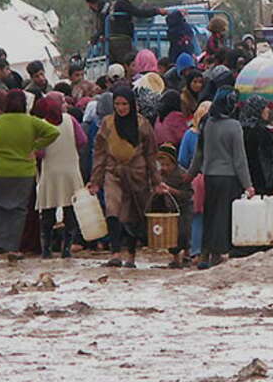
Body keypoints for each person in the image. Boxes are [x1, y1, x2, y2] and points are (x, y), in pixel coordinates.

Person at [89, 85, 164, 268]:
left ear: (131, 104)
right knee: (112, 210)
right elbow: (99, 153)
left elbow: (150, 154)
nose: (121, 108)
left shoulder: (142, 124)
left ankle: (131, 255)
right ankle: (115, 253)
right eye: (117, 104)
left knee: (133, 216)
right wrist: (95, 180)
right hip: (113, 172)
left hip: (136, 174)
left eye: (124, 104)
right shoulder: (107, 124)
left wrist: (156, 181)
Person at [0, 90, 60, 263]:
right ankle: (13, 248)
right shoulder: (31, 122)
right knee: (18, 211)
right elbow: (54, 132)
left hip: (0, 169)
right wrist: (35, 146)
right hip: (23, 172)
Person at [187, 87, 255, 269]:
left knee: (210, 214)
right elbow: (240, 159)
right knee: (223, 216)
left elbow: (199, 154)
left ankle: (204, 253)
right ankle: (217, 253)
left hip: (209, 175)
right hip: (228, 177)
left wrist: (190, 175)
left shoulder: (207, 123)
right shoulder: (234, 126)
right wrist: (248, 185)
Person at [31, 96, 85, 259]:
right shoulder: (71, 120)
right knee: (70, 211)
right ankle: (66, 249)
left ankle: (46, 250)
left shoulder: (42, 125)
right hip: (71, 171)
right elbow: (82, 140)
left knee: (48, 211)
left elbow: (39, 152)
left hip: (50, 173)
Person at [178, 101, 212, 261]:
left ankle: (195, 250)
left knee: (196, 216)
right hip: (214, 177)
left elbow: (182, 160)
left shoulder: (190, 135)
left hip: (195, 179)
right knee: (212, 215)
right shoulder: (215, 134)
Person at [108, 0, 167, 65]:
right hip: (121, 38)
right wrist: (156, 11)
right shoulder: (122, 3)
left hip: (114, 38)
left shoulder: (115, 1)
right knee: (127, 65)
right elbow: (139, 13)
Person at [157, 143, 193, 269]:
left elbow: (188, 194)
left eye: (168, 165)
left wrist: (171, 190)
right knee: (171, 234)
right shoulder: (158, 175)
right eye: (162, 165)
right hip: (169, 209)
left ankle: (187, 254)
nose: (165, 168)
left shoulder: (183, 174)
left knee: (184, 232)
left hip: (184, 207)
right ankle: (175, 258)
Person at [238, 96, 273, 196]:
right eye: (264, 107)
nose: (268, 110)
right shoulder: (263, 133)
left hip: (243, 181)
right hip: (262, 182)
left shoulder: (239, 130)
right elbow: (269, 161)